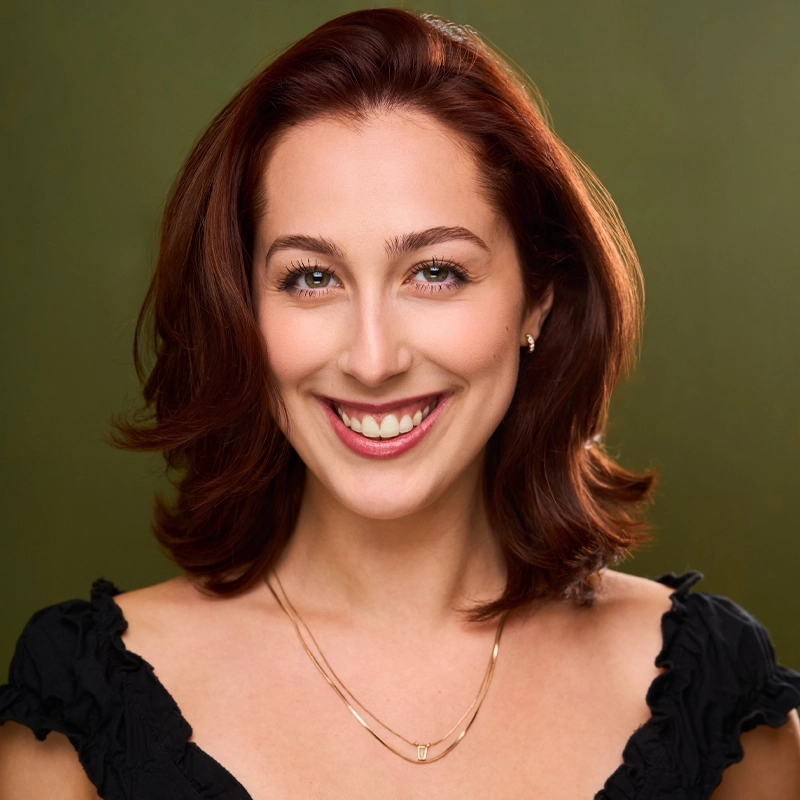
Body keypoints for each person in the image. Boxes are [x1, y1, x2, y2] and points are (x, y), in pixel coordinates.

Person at [1, 7, 798, 798]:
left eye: (437, 272)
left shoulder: (713, 695)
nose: (373, 359)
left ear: (539, 299)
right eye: (311, 278)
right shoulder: (82, 704)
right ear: (242, 313)